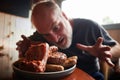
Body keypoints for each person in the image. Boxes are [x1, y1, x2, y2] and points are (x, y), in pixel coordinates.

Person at [16, 1, 120, 80]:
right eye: (46, 35)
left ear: (64, 16)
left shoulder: (90, 26)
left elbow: (117, 47)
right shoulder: (40, 34)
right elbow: (26, 51)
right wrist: (25, 50)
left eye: (56, 27)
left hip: (90, 74)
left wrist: (107, 52)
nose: (54, 39)